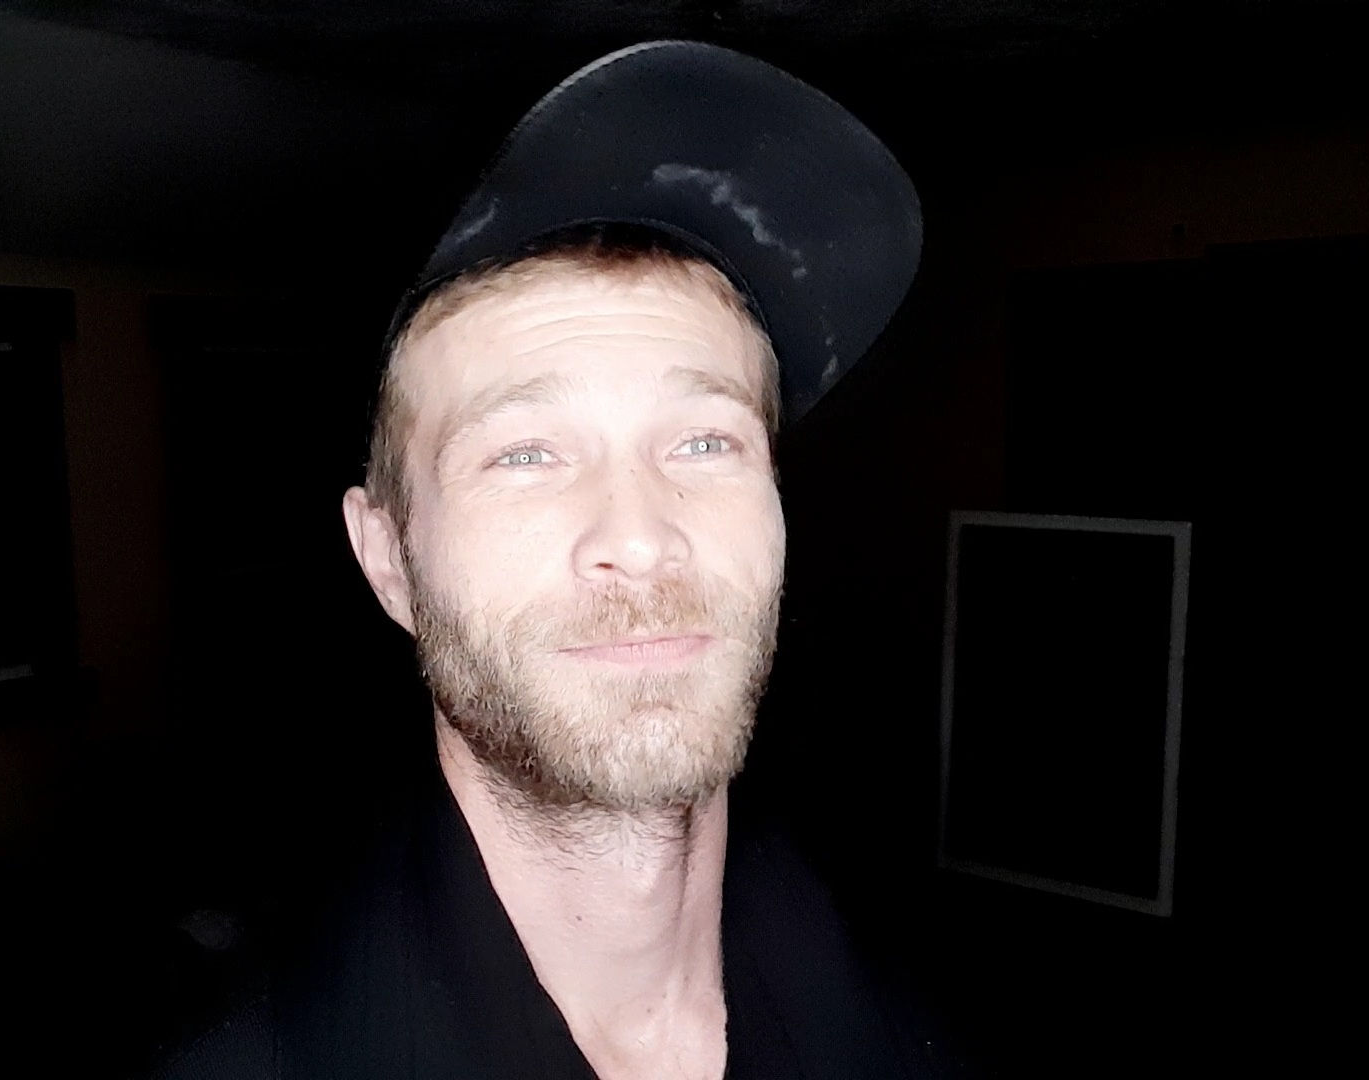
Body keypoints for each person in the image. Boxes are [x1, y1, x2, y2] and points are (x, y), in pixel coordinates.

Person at [155, 40, 950, 1079]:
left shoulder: (924, 1009)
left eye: (704, 442)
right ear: (388, 559)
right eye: (526, 454)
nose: (641, 538)